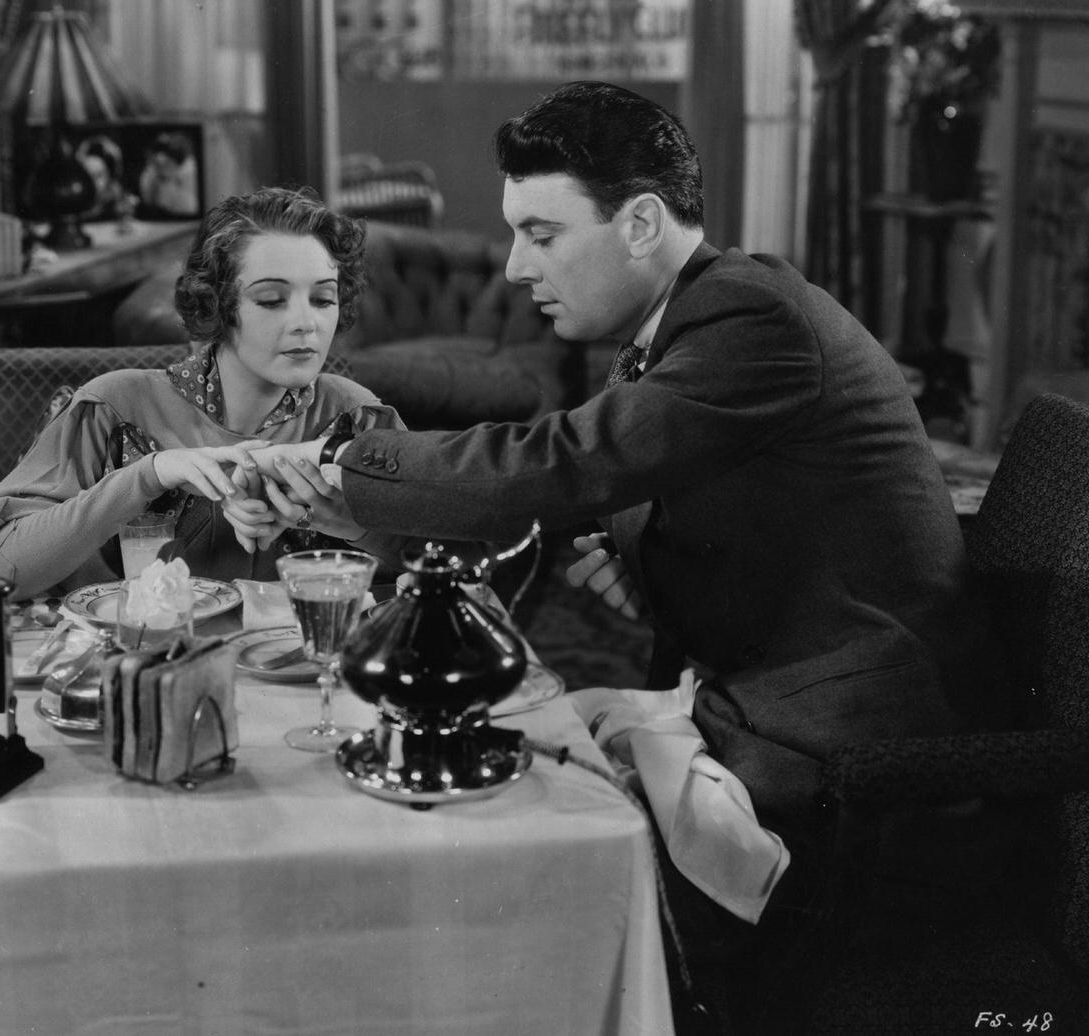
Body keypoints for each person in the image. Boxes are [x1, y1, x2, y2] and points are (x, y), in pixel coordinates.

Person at [244, 82, 1008, 1029]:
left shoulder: (751, 319)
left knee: (512, 844)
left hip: (852, 755)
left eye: (544, 232)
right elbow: (618, 490)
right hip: (771, 700)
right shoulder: (679, 325)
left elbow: (566, 461)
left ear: (641, 221)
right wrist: (638, 553)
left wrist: (337, 459)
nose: (518, 267)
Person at [0, 186, 409, 599]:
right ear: (218, 304)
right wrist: (148, 474)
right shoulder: (113, 409)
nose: (306, 322)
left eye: (323, 299)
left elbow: (450, 564)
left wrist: (349, 523)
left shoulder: (357, 418)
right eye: (272, 300)